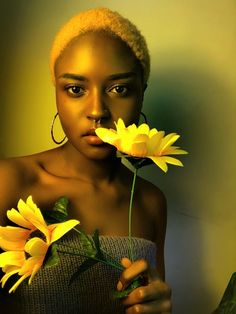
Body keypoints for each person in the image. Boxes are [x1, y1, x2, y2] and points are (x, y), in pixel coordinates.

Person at [0, 7, 172, 313]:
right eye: (76, 89)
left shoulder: (150, 201)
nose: (97, 111)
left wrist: (158, 306)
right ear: (57, 92)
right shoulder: (10, 182)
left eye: (119, 89)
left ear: (141, 94)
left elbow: (151, 297)